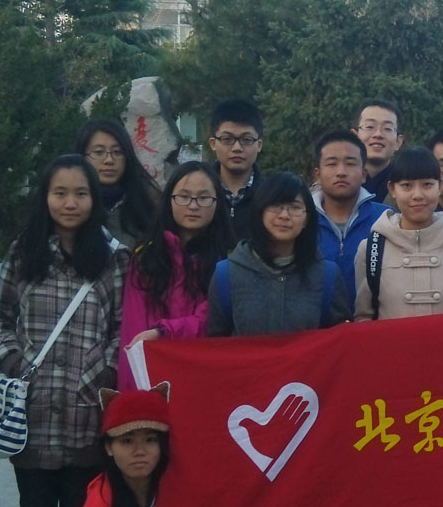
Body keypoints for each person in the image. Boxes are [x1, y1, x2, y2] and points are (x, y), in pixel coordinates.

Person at [0, 154, 128, 507]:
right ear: (45, 197)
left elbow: (122, 328)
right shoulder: (23, 253)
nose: (70, 203)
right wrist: (14, 363)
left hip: (87, 416)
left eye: (81, 193)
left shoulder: (113, 259)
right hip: (33, 417)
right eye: (60, 193)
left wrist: (101, 374)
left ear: (95, 200)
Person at [117, 162, 233, 390]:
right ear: (169, 200)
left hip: (207, 381)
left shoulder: (229, 261)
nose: (193, 205)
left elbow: (211, 321)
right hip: (153, 381)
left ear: (217, 202)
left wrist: (163, 332)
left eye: (203, 197)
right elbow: (133, 330)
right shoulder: (146, 258)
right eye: (184, 196)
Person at [207, 171, 349, 336]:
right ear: (260, 212)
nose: (284, 216)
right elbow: (216, 342)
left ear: (307, 218)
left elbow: (340, 340)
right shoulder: (226, 275)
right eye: (276, 206)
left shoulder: (327, 276)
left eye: (295, 208)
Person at [353, 147, 443, 319]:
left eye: (427, 185)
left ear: (439, 186)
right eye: (407, 186)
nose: (418, 195)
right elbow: (363, 318)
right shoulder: (371, 250)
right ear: (392, 189)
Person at [311, 130, 391, 314]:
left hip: (374, 325)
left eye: (350, 163)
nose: (341, 172)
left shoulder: (386, 219)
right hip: (317, 327)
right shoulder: (302, 221)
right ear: (318, 174)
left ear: (364, 174)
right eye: (332, 164)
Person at [75, 119, 160, 249]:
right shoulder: (71, 206)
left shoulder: (148, 203)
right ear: (82, 156)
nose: (109, 160)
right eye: (99, 152)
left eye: (117, 152)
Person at [208, 99, 264, 242]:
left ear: (259, 145)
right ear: (213, 144)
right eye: (227, 139)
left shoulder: (270, 196)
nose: (237, 148)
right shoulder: (198, 194)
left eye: (247, 139)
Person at [355, 99, 404, 205]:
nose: (378, 134)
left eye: (387, 128)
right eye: (369, 127)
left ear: (398, 142)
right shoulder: (335, 182)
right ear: (355, 137)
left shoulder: (408, 185)